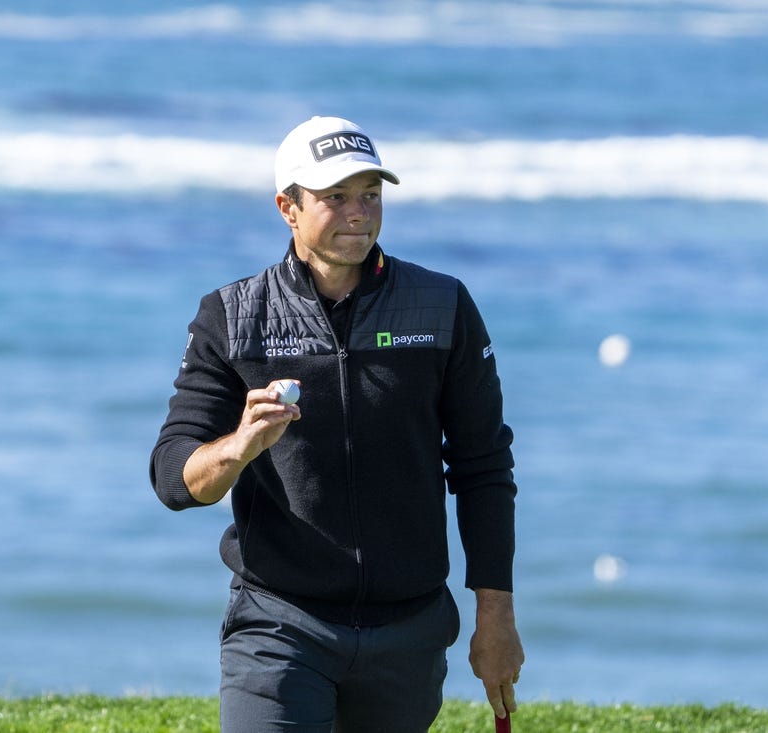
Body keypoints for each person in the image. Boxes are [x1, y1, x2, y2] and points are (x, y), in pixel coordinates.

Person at [150, 116, 524, 733]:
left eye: (371, 195)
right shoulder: (233, 316)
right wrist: (240, 447)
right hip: (278, 623)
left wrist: (496, 617)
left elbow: (484, 467)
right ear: (287, 208)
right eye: (335, 198)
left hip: (409, 631)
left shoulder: (442, 305)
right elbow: (175, 479)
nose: (360, 213)